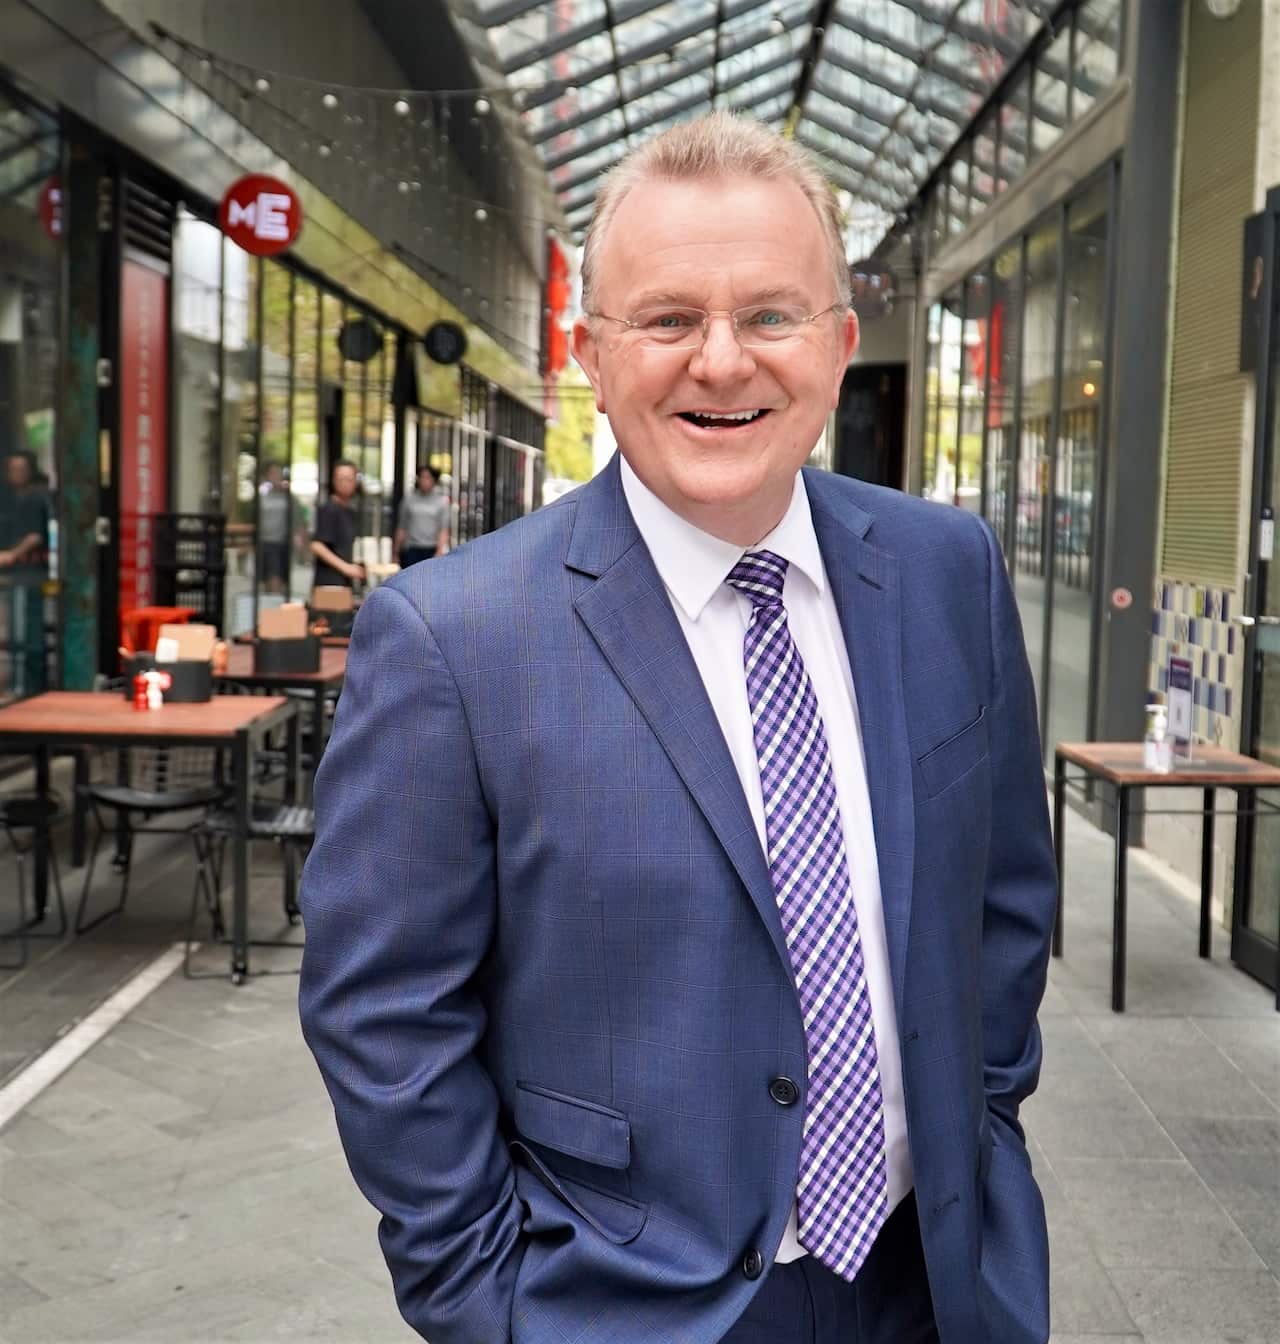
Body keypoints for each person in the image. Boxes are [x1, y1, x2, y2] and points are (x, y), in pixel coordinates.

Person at [300, 112, 1056, 1344]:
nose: (720, 362)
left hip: (934, 1284)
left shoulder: (946, 573)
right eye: (666, 320)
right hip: (622, 1307)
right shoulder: (452, 637)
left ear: (838, 345)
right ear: (592, 356)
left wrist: (987, 1136)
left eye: (769, 315)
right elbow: (384, 1015)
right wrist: (491, 1307)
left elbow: (1003, 905)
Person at [0, 449, 50, 695]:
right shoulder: (15, 498)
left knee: (29, 633)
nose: (15, 474)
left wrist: (11, 555)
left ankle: (30, 687)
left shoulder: (35, 497)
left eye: (20, 469)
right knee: (20, 631)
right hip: (20, 573)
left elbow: (35, 536)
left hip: (31, 573)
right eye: (12, 469)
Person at [308, 458, 364, 590]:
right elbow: (317, 545)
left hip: (344, 582)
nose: (345, 483)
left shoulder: (349, 511)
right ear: (334, 481)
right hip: (329, 582)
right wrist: (346, 568)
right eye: (341, 479)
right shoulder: (328, 509)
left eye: (349, 479)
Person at [394, 462, 450, 568]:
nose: (424, 481)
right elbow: (401, 527)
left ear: (434, 480)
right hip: (412, 548)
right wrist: (396, 551)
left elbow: (444, 529)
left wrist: (439, 550)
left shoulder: (441, 502)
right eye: (422, 477)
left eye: (427, 477)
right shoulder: (409, 500)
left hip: (431, 548)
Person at [257, 462, 291, 594]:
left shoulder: (287, 497)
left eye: (278, 473)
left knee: (281, 579)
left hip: (284, 543)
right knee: (271, 577)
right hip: (267, 542)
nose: (276, 476)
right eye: (272, 473)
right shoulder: (263, 496)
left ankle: (277, 601)